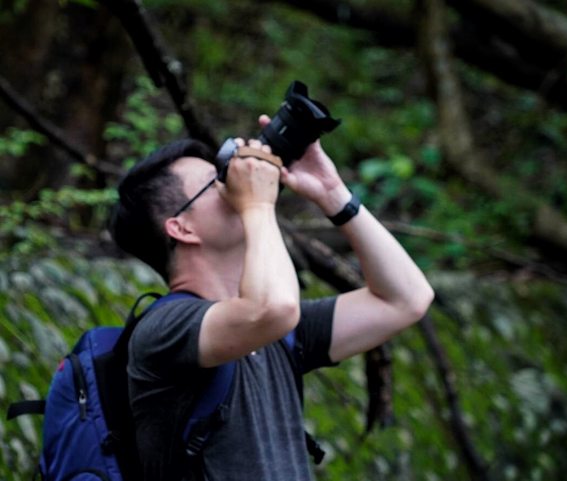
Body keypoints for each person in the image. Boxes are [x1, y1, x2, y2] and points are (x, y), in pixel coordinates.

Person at [109, 114, 434, 481]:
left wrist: (332, 193)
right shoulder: (164, 329)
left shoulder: (279, 332)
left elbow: (406, 299)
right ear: (181, 228)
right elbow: (271, 309)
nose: (235, 184)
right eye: (217, 181)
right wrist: (258, 205)